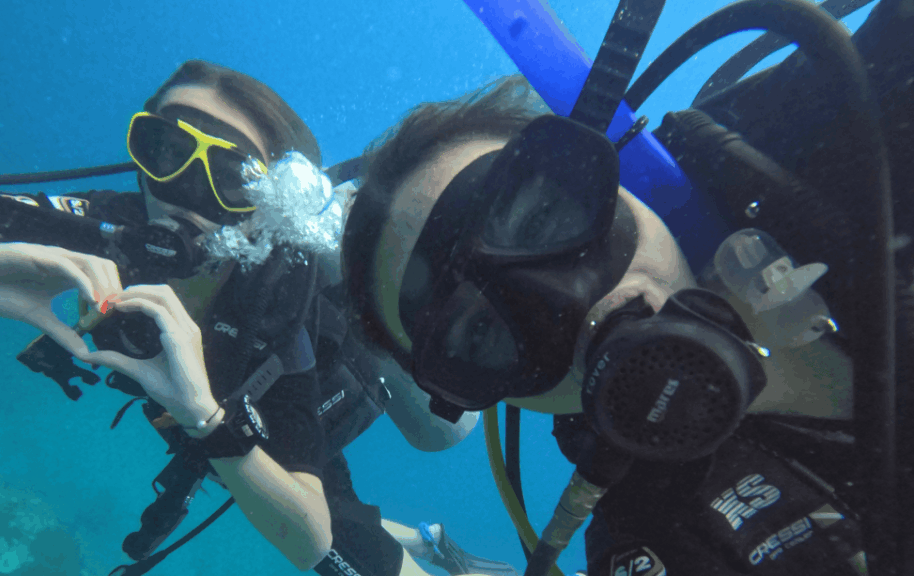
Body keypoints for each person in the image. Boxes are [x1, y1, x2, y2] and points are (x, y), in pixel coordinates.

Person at [338, 0, 913, 573]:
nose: (567, 303)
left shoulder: (847, 129)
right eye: (484, 329)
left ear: (608, 164)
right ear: (493, 392)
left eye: (541, 220)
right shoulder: (658, 546)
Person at [0, 60, 514, 576]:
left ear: (263, 200)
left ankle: (422, 538)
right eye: (165, 150)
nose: (184, 192)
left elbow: (311, 537)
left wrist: (208, 419)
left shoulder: (276, 292)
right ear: (138, 153)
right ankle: (429, 539)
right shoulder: (105, 227)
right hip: (231, 420)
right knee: (257, 479)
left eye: (229, 176)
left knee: (414, 461)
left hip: (320, 385)